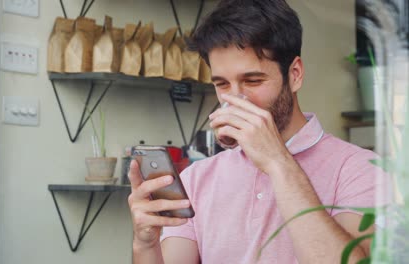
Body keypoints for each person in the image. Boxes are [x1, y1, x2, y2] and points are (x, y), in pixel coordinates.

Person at [128, 0, 380, 263]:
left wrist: (277, 162)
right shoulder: (196, 178)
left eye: (253, 81)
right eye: (222, 84)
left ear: (294, 74)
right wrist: (145, 245)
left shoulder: (361, 169)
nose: (236, 99)